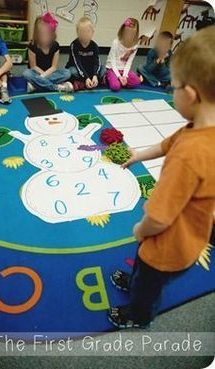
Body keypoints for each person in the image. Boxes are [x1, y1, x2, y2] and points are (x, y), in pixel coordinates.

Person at [108, 26, 215, 329]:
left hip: (169, 246)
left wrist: (141, 229)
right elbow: (164, 145)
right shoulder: (199, 129)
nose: (171, 91)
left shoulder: (190, 154)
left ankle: (138, 316)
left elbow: (159, 216)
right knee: (143, 271)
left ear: (190, 94)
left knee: (148, 286)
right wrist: (137, 155)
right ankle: (136, 281)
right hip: (188, 238)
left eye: (174, 87)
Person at [23, 13, 72, 93]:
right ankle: (57, 87)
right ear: (37, 34)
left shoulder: (55, 45)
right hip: (36, 73)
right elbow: (33, 67)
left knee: (67, 73)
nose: (45, 37)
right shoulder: (32, 45)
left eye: (47, 34)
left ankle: (36, 86)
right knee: (27, 73)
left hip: (50, 73)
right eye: (42, 34)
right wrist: (42, 75)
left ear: (52, 33)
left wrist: (43, 77)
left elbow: (54, 67)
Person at [66, 17, 105, 91]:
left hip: (89, 69)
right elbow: (77, 64)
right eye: (82, 32)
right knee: (71, 71)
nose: (85, 34)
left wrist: (95, 75)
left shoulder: (94, 46)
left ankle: (90, 81)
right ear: (77, 33)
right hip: (78, 69)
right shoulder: (74, 45)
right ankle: (83, 82)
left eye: (88, 31)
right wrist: (86, 78)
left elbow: (97, 62)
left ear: (92, 32)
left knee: (103, 69)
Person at [106, 18, 142, 92]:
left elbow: (129, 63)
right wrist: (119, 77)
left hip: (123, 69)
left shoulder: (135, 46)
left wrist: (125, 76)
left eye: (132, 34)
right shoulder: (116, 42)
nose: (129, 36)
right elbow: (112, 62)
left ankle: (119, 81)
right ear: (122, 32)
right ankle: (108, 78)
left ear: (135, 35)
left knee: (137, 82)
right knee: (115, 87)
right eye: (127, 33)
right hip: (112, 68)